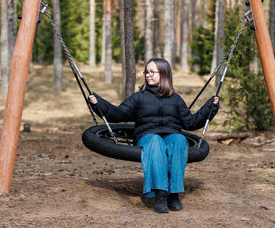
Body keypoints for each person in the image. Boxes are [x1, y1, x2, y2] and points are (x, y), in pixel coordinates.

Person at [88, 58, 219, 213]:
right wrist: (98, 103)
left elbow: (190, 123)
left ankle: (174, 193)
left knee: (179, 140)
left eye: (152, 72)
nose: (148, 75)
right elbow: (118, 113)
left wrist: (210, 107)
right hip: (147, 136)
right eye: (146, 72)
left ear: (164, 74)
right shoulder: (139, 97)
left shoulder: (175, 99)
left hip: (171, 135)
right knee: (156, 142)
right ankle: (161, 194)